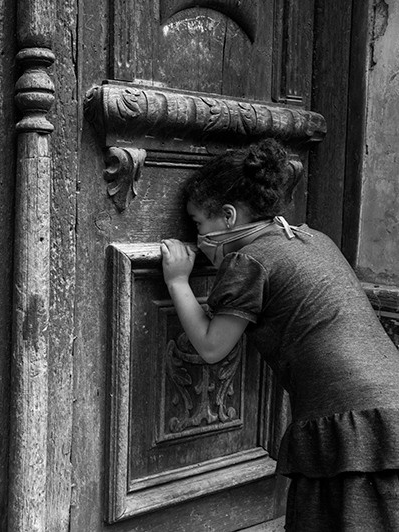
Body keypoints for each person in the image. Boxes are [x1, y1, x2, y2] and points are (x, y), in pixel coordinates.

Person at [160, 138, 399, 530]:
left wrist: (177, 281)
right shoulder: (309, 238)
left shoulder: (247, 260)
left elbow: (211, 346)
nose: (198, 238)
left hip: (350, 420)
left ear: (229, 216)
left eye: (199, 224)